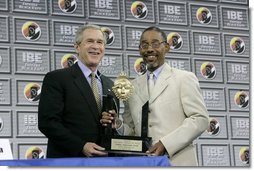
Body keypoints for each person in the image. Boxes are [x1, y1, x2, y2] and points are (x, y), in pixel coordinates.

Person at [101, 26, 209, 166]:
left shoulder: (184, 78)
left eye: (155, 44)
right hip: (143, 163)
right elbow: (132, 130)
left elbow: (200, 119)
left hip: (178, 161)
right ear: (140, 50)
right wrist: (118, 124)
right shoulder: (131, 87)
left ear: (167, 47)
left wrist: (166, 144)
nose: (150, 49)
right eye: (144, 45)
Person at [38, 24, 118, 158]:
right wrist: (81, 146)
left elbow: (110, 127)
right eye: (90, 41)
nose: (95, 46)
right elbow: (48, 123)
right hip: (69, 160)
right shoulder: (57, 78)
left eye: (100, 42)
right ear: (77, 47)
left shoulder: (111, 85)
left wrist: (114, 125)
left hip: (104, 162)